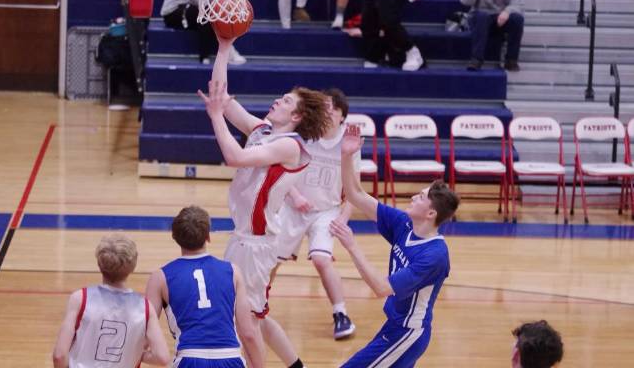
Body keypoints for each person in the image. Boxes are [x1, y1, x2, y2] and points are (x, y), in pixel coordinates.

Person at [197, 35, 331, 368]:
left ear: (297, 116)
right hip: (246, 240)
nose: (277, 101)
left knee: (247, 326)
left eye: (285, 101)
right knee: (256, 315)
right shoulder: (264, 130)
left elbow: (235, 156)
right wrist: (224, 49)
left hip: (256, 246)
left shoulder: (291, 146)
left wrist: (215, 117)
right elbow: (223, 98)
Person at [330, 125, 460, 367]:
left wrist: (352, 246)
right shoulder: (404, 224)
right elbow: (356, 195)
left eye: (420, 197)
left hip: (408, 333)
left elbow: (381, 288)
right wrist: (347, 156)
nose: (412, 197)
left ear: (431, 212)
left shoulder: (435, 256)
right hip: (395, 326)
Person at [275, 88, 359, 340]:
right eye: (324, 107)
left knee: (322, 260)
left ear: (343, 116)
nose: (328, 112)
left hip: (326, 211)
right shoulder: (305, 134)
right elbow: (280, 171)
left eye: (333, 108)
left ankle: (341, 314)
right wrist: (295, 196)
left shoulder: (349, 142)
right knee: (272, 260)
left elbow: (355, 189)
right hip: (293, 206)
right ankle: (255, 305)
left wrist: (342, 219)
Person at [145, 206, 265, 368]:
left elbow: (144, 329)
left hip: (189, 359)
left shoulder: (160, 277)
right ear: (208, 236)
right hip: (230, 358)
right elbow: (248, 334)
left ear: (174, 237)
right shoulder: (233, 272)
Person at [52, 234, 169, 368]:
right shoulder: (145, 307)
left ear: (99, 263)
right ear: (133, 266)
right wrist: (135, 353)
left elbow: (59, 355)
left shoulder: (80, 298)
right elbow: (162, 357)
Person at [160, 0, 247, 65]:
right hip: (172, 13)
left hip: (191, 8)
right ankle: (215, 54)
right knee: (207, 14)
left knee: (210, 15)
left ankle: (222, 52)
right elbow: (202, 1)